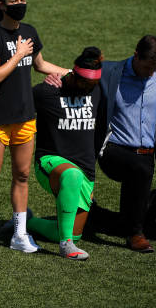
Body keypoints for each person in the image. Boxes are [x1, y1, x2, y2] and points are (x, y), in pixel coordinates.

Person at [0, 0, 68, 256]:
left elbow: (40, 65)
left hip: (25, 118)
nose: (20, 5)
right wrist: (17, 54)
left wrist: (71, 74)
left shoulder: (29, 32)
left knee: (22, 175)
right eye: (14, 1)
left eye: (22, 0)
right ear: (2, 5)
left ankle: (19, 233)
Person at [25, 47, 103, 260]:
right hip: (51, 161)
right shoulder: (47, 92)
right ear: (74, 76)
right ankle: (65, 245)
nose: (88, 89)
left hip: (85, 168)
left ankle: (28, 222)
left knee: (73, 231)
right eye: (84, 83)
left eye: (92, 84)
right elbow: (16, 102)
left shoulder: (97, 89)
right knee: (71, 175)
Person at [93, 35, 156, 252]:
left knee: (142, 169)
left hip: (148, 151)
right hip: (113, 148)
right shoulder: (110, 72)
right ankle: (135, 234)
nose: (150, 73)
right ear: (136, 55)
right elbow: (79, 75)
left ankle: (99, 217)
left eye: (154, 69)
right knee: (140, 168)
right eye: (146, 68)